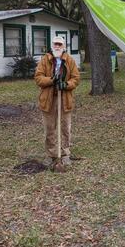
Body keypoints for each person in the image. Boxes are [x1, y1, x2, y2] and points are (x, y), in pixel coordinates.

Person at [34, 36, 80, 170]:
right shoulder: (45, 60)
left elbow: (76, 79)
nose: (57, 47)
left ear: (64, 46)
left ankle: (65, 154)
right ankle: (51, 154)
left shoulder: (69, 60)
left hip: (65, 99)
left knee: (65, 128)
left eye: (60, 44)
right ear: (52, 45)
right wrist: (51, 80)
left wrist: (66, 84)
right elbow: (38, 78)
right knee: (50, 128)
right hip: (48, 99)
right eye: (55, 44)